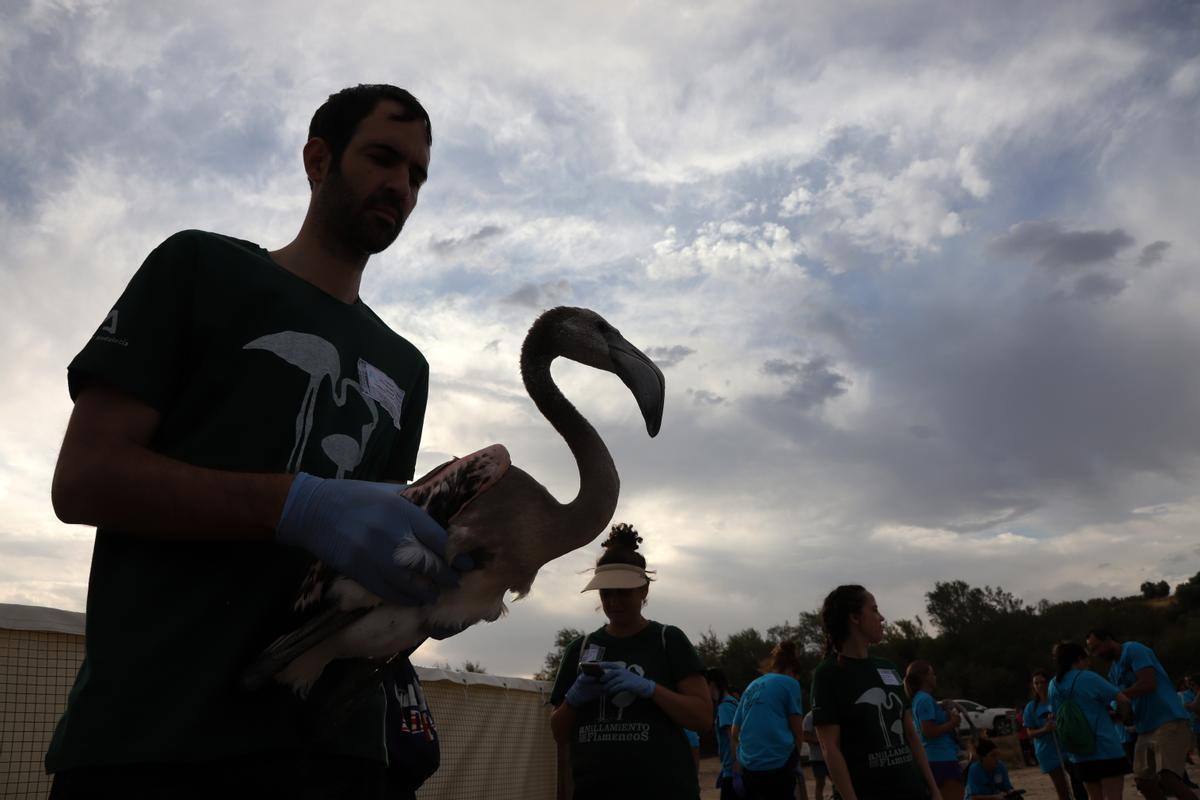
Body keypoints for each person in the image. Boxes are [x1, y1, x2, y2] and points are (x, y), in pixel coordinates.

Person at [44, 84, 466, 798]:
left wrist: (427, 596)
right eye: (383, 157)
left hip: (322, 749)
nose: (400, 185)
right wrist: (295, 504)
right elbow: (84, 477)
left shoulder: (406, 367)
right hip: (148, 741)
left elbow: (359, 578)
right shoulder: (200, 270)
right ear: (318, 159)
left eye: (418, 174)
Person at [549, 523, 711, 800]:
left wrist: (650, 689)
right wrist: (573, 700)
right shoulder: (580, 649)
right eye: (606, 592)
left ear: (644, 590)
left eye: (622, 592)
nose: (613, 601)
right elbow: (559, 733)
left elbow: (702, 718)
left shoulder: (667, 640)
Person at [810, 585, 942, 800]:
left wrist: (934, 789)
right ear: (854, 617)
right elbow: (830, 748)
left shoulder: (888, 667)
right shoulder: (828, 674)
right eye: (874, 609)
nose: (881, 617)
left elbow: (911, 736)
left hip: (913, 791)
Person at [1086, 629, 1196, 800]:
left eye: (1097, 647)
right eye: (1092, 651)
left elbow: (1148, 683)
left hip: (1169, 720)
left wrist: (1118, 696)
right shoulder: (1112, 672)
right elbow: (1125, 709)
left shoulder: (1133, 649)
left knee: (1167, 777)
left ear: (1108, 639)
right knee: (1143, 782)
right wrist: (1111, 715)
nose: (1096, 653)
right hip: (1145, 728)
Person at [1048, 641, 1132, 800]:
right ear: (1080, 658)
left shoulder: (1053, 684)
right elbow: (1123, 700)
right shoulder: (1088, 677)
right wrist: (1120, 717)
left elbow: (1055, 713)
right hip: (1105, 747)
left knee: (1094, 797)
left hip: (1079, 752)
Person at [730, 640, 806, 799]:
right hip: (778, 764)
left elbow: (734, 732)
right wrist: (796, 760)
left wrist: (739, 765)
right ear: (792, 671)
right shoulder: (790, 683)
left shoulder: (752, 685)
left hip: (749, 767)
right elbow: (798, 732)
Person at [905, 660, 965, 800]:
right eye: (932, 674)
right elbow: (929, 732)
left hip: (935, 758)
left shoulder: (919, 699)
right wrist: (953, 722)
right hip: (942, 760)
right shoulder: (925, 699)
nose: (935, 677)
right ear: (924, 677)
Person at [1024, 669, 1074, 800]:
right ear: (1033, 685)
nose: (1040, 685)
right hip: (1047, 752)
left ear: (1049, 683)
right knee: (1062, 790)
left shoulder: (1058, 701)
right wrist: (1045, 729)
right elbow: (1029, 733)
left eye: (1042, 682)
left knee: (1079, 783)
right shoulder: (1031, 707)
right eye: (1036, 683)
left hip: (1067, 748)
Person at [709, 667, 745, 800]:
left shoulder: (725, 707)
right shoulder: (734, 702)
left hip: (733, 771)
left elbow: (733, 737)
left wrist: (734, 768)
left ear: (712, 684)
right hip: (736, 767)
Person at [803, 710, 831, 800]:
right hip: (817, 758)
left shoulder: (829, 713)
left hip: (831, 756)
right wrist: (819, 740)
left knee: (839, 781)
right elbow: (805, 736)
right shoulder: (809, 717)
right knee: (820, 783)